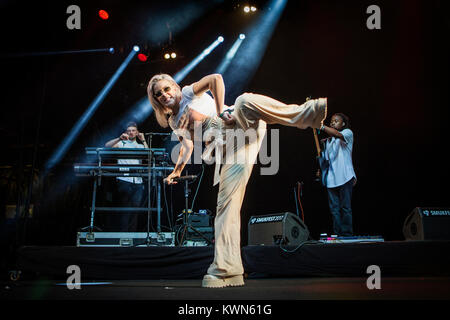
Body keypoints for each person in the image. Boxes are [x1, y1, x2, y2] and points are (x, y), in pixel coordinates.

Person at [147, 73, 327, 288]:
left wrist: (221, 109)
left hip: (238, 124)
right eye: (158, 94)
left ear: (175, 88)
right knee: (225, 205)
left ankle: (305, 114)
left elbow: (215, 78)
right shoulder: (173, 121)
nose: (164, 95)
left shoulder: (187, 93)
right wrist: (177, 171)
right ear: (156, 100)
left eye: (167, 89)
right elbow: (187, 147)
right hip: (231, 150)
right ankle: (227, 270)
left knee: (244, 100)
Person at [104, 122, 149, 232]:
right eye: (129, 131)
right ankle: (123, 235)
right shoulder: (121, 143)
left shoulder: (140, 146)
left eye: (133, 130)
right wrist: (119, 138)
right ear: (126, 132)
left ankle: (132, 235)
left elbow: (149, 154)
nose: (131, 132)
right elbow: (107, 146)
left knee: (136, 210)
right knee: (125, 209)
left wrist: (143, 139)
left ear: (137, 132)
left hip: (138, 181)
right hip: (124, 180)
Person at [317, 113, 356, 237]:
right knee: (334, 209)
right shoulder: (328, 142)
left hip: (345, 176)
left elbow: (338, 134)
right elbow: (328, 160)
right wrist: (321, 170)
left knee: (345, 207)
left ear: (343, 124)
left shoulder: (347, 133)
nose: (333, 123)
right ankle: (338, 234)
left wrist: (321, 127)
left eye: (336, 121)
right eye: (332, 121)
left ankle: (347, 234)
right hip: (331, 179)